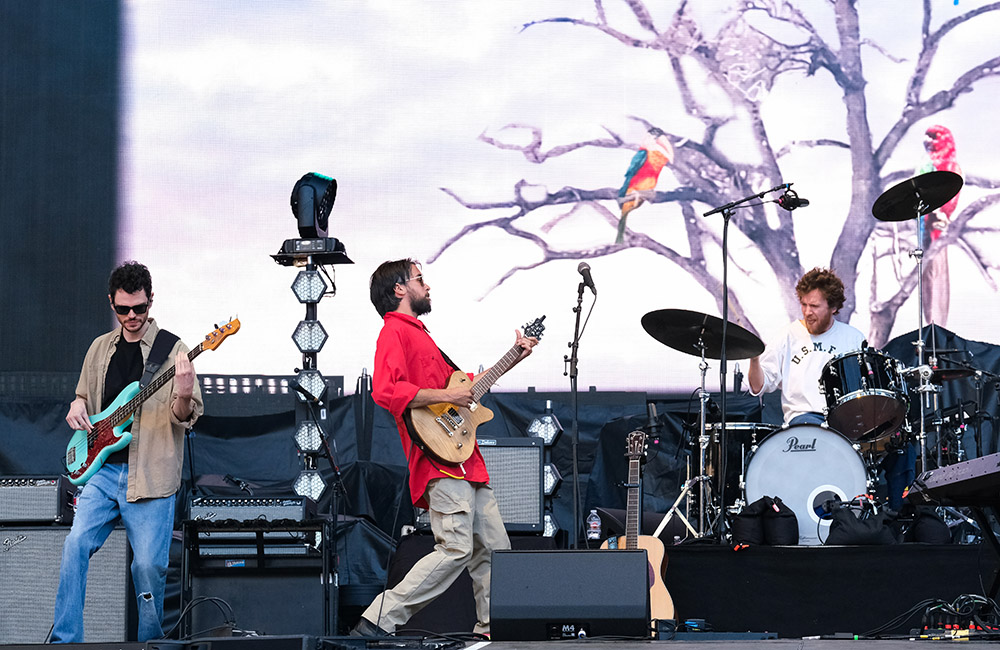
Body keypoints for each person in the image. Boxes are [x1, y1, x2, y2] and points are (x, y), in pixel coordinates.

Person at [352, 259, 539, 638]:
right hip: (439, 459)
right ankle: (378, 621)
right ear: (399, 290)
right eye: (421, 279)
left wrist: (513, 357)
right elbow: (387, 391)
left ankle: (492, 631)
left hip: (467, 459)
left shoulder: (423, 335)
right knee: (454, 548)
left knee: (495, 552)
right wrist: (451, 393)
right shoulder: (394, 331)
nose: (428, 286)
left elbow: (466, 390)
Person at [52, 261, 203, 643]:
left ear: (151, 301)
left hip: (150, 475)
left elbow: (185, 417)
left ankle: (150, 642)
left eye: (139, 308)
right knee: (74, 546)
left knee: (148, 567)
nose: (132, 316)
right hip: (102, 471)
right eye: (123, 310)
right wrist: (76, 404)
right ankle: (65, 640)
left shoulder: (174, 351)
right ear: (112, 304)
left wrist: (183, 393)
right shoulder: (100, 348)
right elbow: (83, 397)